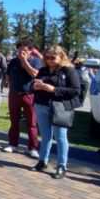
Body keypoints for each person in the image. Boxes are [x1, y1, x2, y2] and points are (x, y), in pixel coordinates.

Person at [30, 46, 82, 179]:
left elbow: (75, 90)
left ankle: (61, 166)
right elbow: (33, 85)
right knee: (45, 136)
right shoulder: (43, 70)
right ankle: (42, 161)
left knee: (60, 137)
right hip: (41, 105)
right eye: (47, 57)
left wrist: (53, 89)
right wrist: (35, 85)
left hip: (60, 107)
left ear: (61, 57)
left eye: (53, 57)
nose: (49, 60)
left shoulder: (69, 71)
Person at [4, 40, 42, 158]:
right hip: (15, 94)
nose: (22, 52)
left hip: (29, 95)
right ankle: (13, 144)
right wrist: (11, 88)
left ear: (31, 51)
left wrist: (25, 61)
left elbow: (35, 74)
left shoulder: (36, 61)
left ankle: (33, 148)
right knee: (14, 121)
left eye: (25, 50)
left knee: (31, 123)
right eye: (20, 50)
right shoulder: (14, 62)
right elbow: (8, 76)